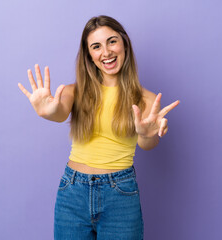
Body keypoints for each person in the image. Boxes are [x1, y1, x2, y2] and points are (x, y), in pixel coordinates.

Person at [18, 15, 180, 240]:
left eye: (112, 41)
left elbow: (148, 143)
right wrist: (47, 110)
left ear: (124, 43)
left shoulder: (147, 99)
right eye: (96, 46)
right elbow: (59, 112)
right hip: (73, 194)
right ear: (89, 56)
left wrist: (146, 134)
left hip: (120, 195)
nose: (106, 52)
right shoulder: (74, 91)